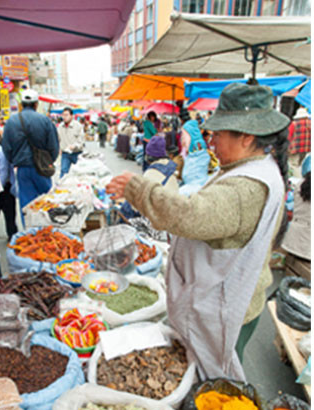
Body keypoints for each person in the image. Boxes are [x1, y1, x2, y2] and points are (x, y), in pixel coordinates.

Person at [105, 82, 290, 380]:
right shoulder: (250, 167)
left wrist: (137, 188)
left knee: (217, 383)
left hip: (227, 306)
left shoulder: (247, 187)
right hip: (227, 295)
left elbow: (190, 216)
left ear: (245, 137)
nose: (211, 141)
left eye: (216, 134)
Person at [1, 88, 59, 212]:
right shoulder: (45, 120)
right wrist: (48, 161)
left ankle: (30, 230)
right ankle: (46, 230)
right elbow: (54, 146)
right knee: (46, 202)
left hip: (22, 168)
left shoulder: (11, 122)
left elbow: (6, 148)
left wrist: (14, 160)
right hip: (42, 168)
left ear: (21, 104)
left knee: (27, 205)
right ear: (36, 104)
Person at [58, 107, 84, 176]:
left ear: (72, 116)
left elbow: (81, 141)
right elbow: (58, 139)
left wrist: (74, 146)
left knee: (79, 173)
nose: (64, 117)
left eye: (66, 115)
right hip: (65, 154)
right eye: (63, 115)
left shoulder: (78, 126)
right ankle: (61, 186)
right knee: (63, 171)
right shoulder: (60, 126)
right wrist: (58, 148)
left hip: (77, 153)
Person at [288, 106, 311, 173]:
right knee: (301, 164)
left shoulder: (293, 124)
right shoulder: (310, 123)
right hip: (307, 148)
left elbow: (289, 136)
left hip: (295, 148)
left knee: (294, 165)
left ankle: (298, 180)